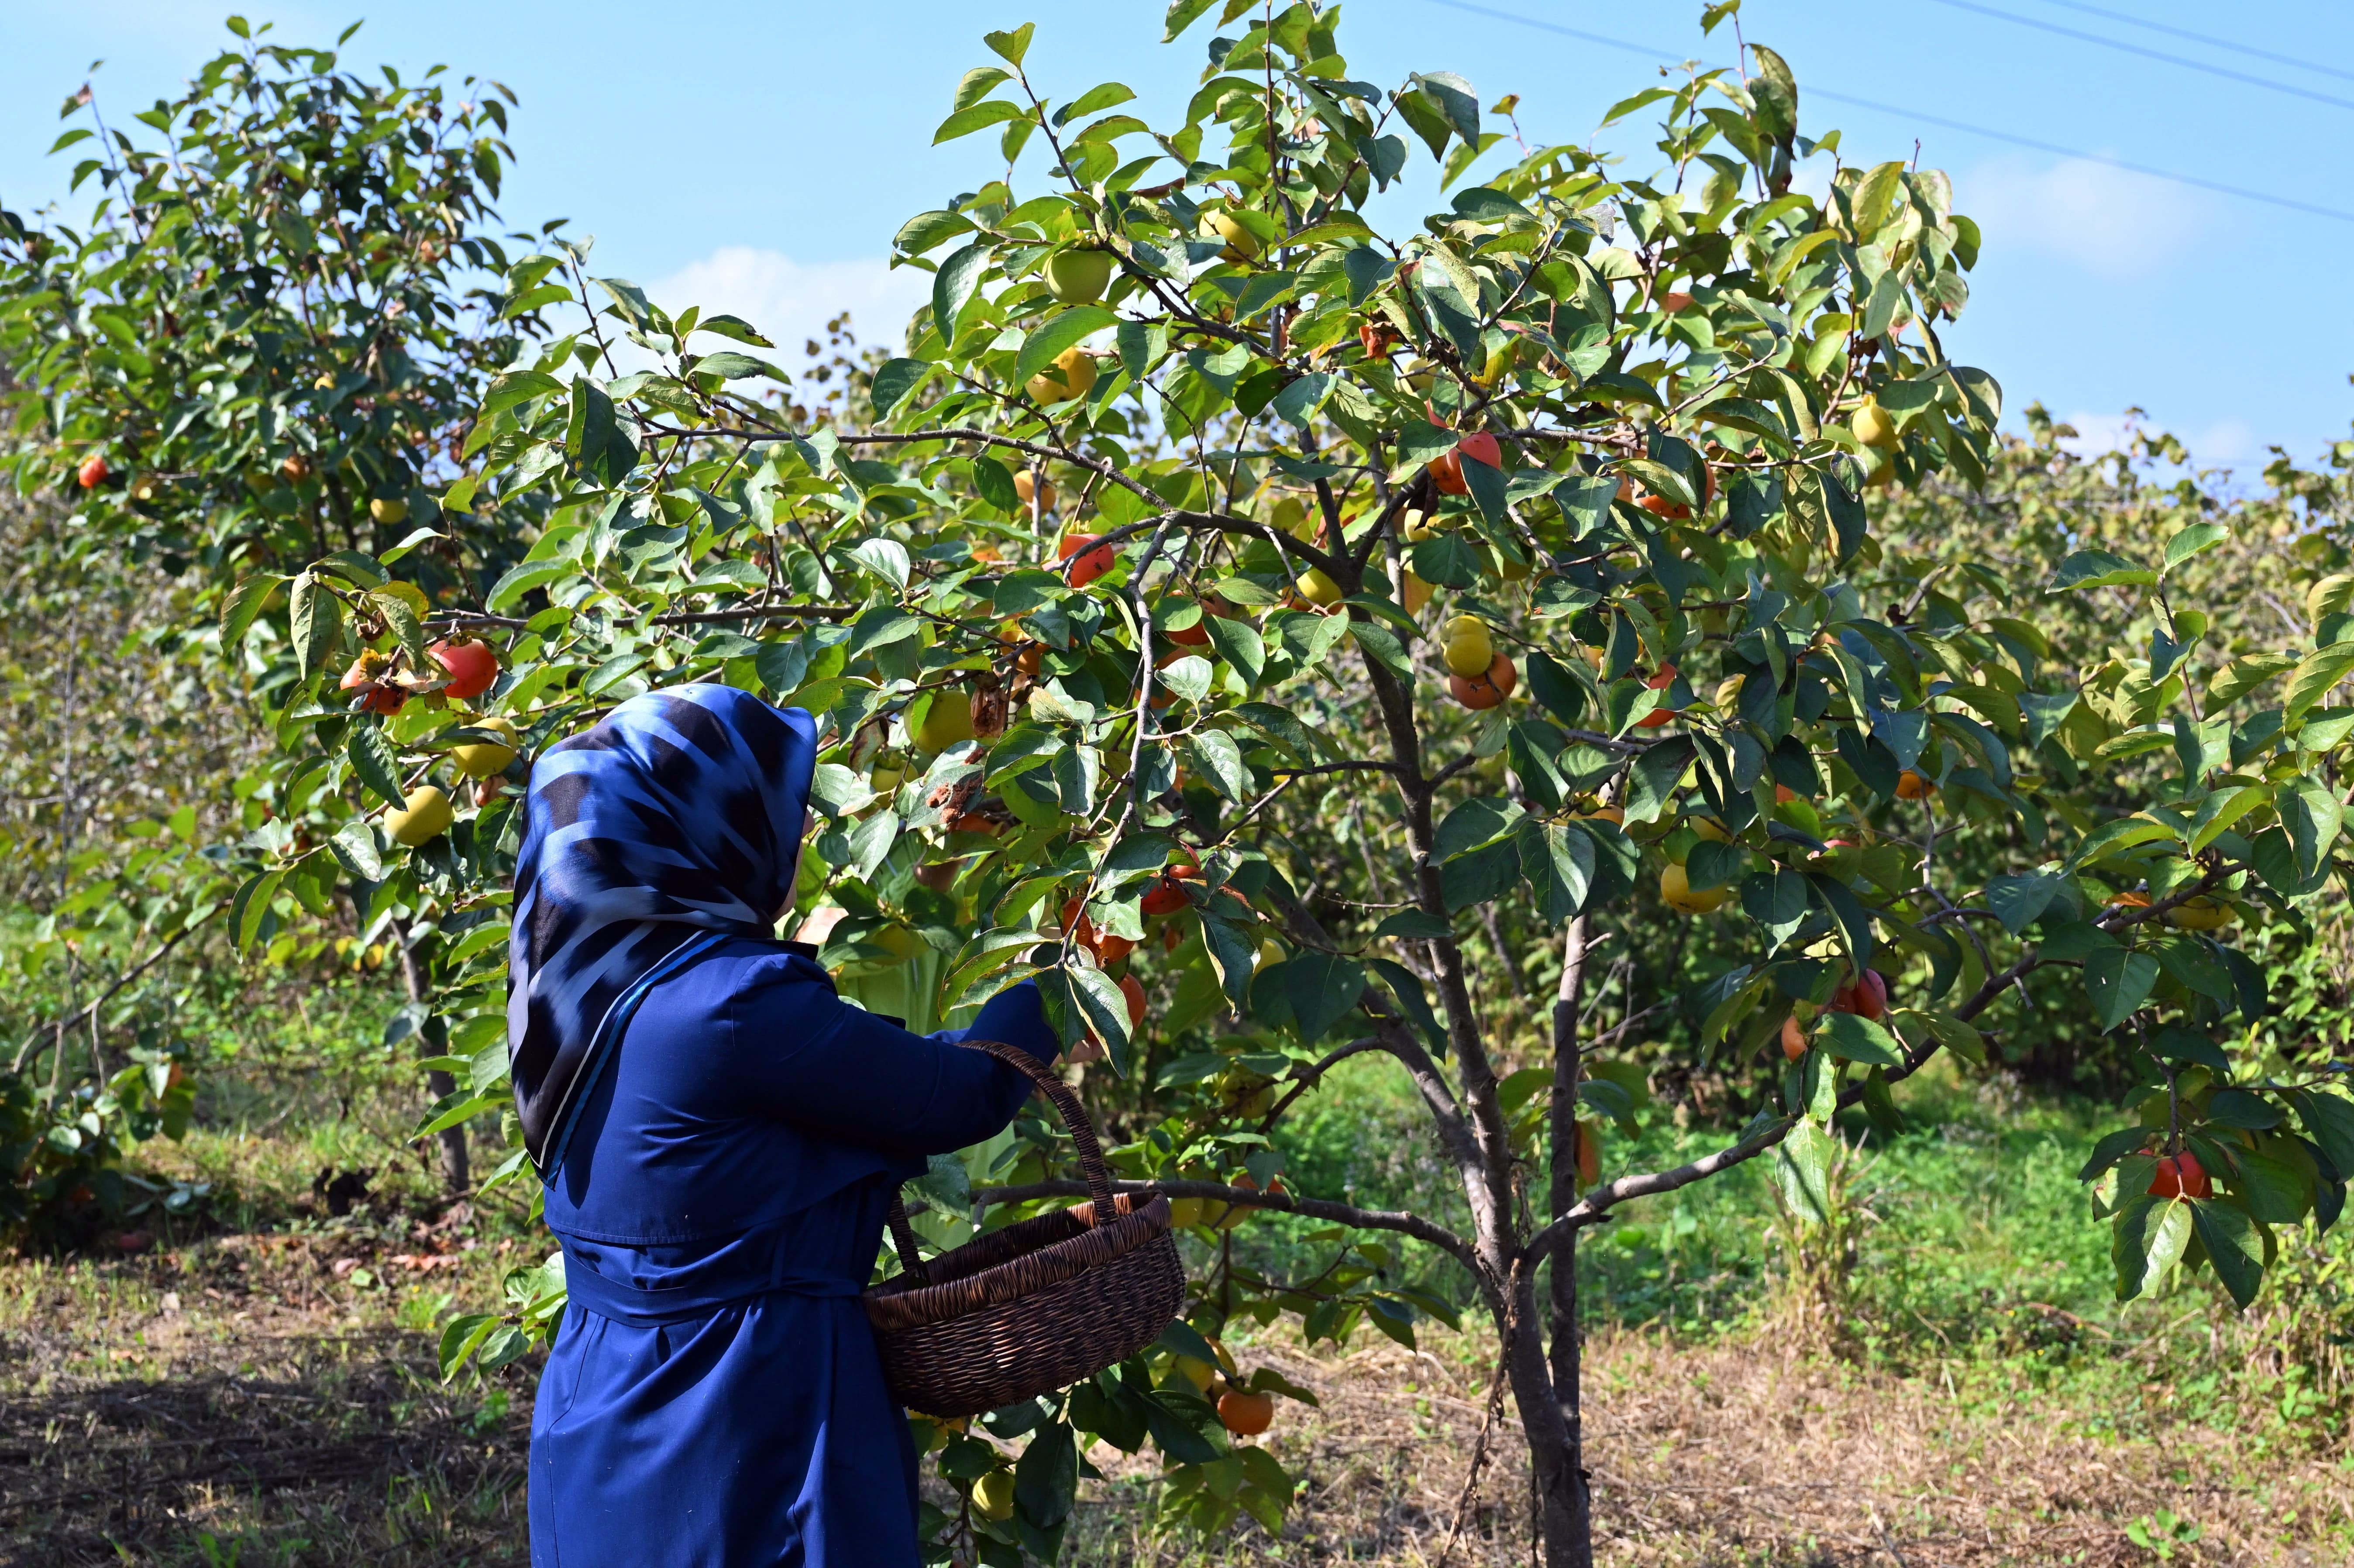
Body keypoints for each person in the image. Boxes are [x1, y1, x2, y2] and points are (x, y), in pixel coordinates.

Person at [509, 684, 1057, 1567]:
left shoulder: (575, 994)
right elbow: (959, 1095)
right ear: (709, 826)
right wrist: (1063, 977)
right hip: (748, 1405)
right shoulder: (733, 1002)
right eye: (780, 810)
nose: (797, 835)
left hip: (604, 1397)